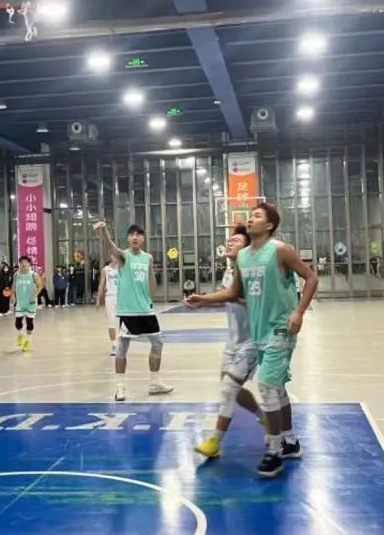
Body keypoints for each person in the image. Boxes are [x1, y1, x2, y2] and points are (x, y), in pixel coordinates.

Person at [185, 204, 317, 477]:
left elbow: (311, 278)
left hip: (280, 329)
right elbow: (233, 292)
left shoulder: (281, 250)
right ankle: (290, 441)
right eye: (251, 215)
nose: (250, 218)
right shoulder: (244, 257)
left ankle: (275, 451)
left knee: (267, 385)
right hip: (256, 335)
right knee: (273, 388)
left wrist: (298, 312)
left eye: (257, 216)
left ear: (269, 225)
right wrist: (203, 299)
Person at [191, 225, 270, 460]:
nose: (229, 243)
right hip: (233, 341)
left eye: (235, 241)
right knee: (231, 390)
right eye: (229, 240)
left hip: (253, 340)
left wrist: (221, 297)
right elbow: (228, 297)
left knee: (228, 389)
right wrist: (205, 300)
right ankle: (265, 418)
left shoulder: (253, 272)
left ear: (246, 248)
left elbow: (257, 302)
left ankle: (215, 441)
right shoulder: (228, 273)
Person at [94, 222, 173, 401]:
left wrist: (151, 292)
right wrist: (104, 233)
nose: (135, 237)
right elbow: (110, 247)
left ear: (143, 238)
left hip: (146, 309)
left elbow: (151, 283)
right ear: (128, 239)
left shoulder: (148, 258)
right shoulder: (123, 257)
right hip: (128, 311)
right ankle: (120, 387)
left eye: (138, 235)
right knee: (122, 348)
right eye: (132, 235)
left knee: (158, 343)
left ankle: (155, 382)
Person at [13, 256, 42, 352]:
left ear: (29, 264)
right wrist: (12, 295)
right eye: (21, 262)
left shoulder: (33, 275)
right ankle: (20, 335)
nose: (23, 264)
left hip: (30, 302)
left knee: (29, 322)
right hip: (20, 302)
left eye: (25, 262)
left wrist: (35, 295)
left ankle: (28, 341)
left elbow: (40, 286)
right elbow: (13, 285)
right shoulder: (16, 274)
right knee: (18, 322)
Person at [97, 250, 122, 355]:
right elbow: (101, 284)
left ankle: (122, 344)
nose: (115, 258)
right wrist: (98, 299)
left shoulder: (122, 268)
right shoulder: (106, 270)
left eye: (117, 256)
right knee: (111, 322)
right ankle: (114, 344)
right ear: (111, 256)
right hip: (110, 297)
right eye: (114, 256)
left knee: (122, 322)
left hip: (121, 297)